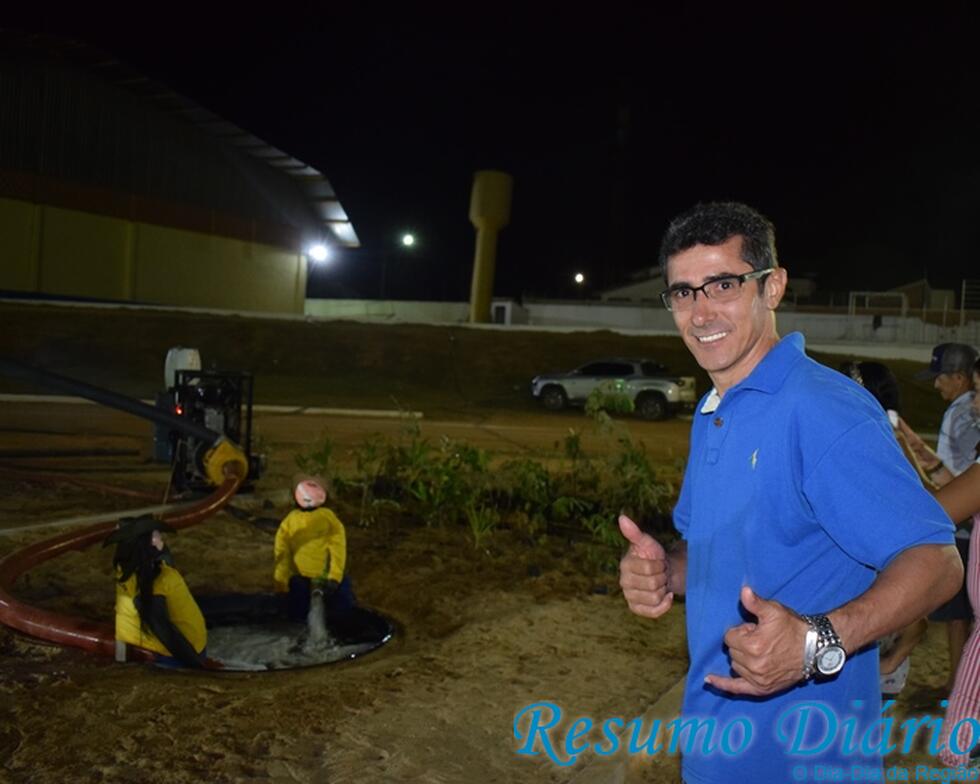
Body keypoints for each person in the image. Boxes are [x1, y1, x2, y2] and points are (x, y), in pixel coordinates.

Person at [618, 202, 961, 783]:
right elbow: (720, 552)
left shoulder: (823, 409)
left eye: (723, 285)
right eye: (683, 292)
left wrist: (816, 641)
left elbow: (937, 562)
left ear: (771, 287)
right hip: (717, 748)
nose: (701, 312)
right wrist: (667, 572)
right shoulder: (715, 409)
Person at [911, 344, 980, 690]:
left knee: (956, 614)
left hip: (962, 531)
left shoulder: (962, 415)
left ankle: (957, 684)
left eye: (978, 392)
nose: (974, 404)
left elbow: (947, 503)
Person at [105, 514, 207, 668]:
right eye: (156, 535)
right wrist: (195, 664)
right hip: (171, 654)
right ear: (150, 542)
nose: (161, 537)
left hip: (148, 641)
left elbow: (163, 557)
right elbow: (163, 630)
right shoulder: (155, 583)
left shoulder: (128, 567)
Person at [274, 478, 354, 625]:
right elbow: (282, 553)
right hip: (313, 577)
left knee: (338, 609)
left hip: (319, 577)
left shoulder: (322, 518)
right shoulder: (293, 521)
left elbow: (282, 554)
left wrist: (335, 576)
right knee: (337, 613)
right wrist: (282, 583)